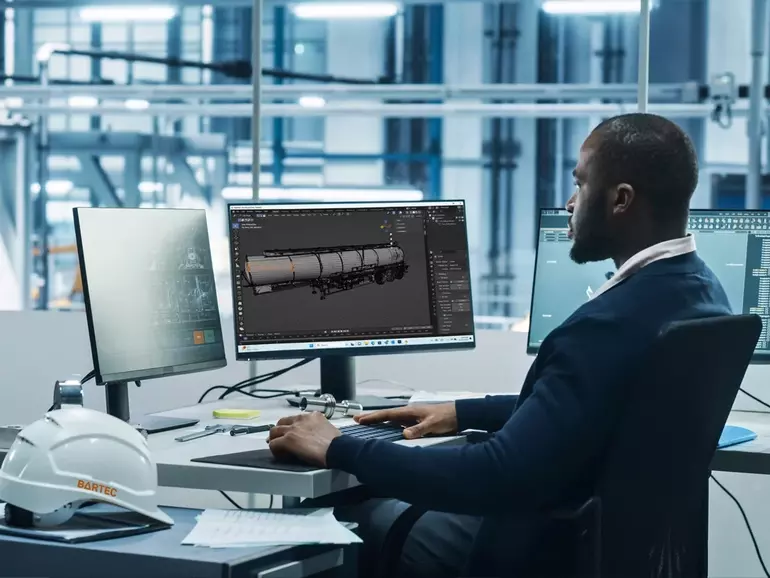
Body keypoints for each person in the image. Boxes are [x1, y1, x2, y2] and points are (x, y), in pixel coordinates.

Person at [267, 113, 733, 577]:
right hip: (606, 551)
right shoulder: (701, 292)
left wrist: (338, 448)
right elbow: (600, 406)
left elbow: (495, 474)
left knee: (344, 521)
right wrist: (463, 412)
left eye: (582, 183)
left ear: (621, 200)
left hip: (533, 549)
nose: (571, 202)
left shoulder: (603, 326)